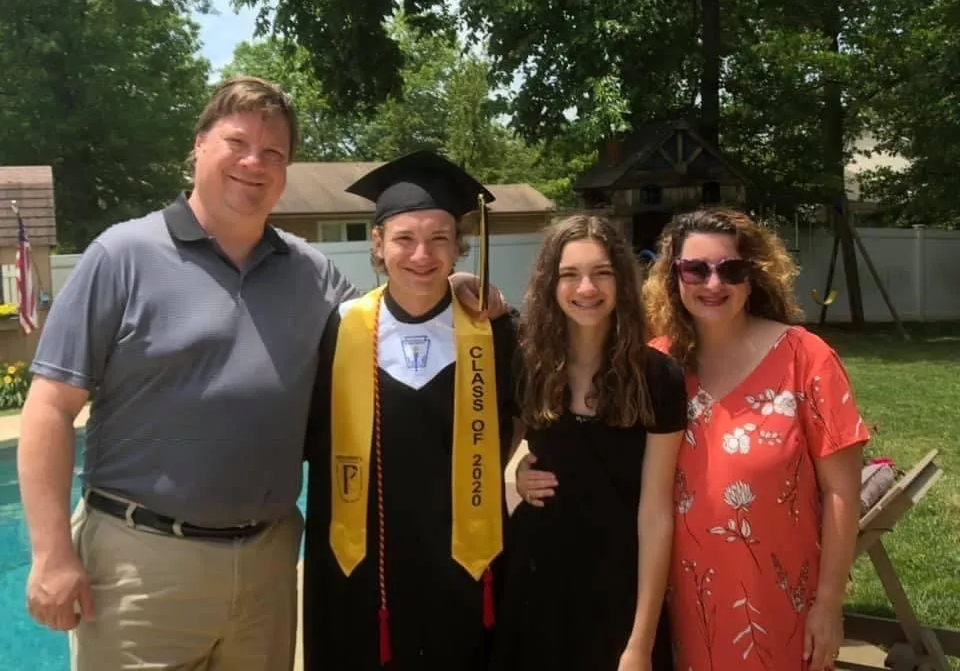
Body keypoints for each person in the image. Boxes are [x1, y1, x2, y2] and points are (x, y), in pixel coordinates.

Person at [17, 76, 504, 671]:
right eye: (237, 142)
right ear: (197, 146)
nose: (255, 162)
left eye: (273, 153)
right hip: (145, 563)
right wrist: (50, 554)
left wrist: (445, 283)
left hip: (269, 567)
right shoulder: (122, 256)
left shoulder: (312, 275)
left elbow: (394, 318)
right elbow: (49, 407)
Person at [518, 206, 866, 671]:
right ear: (673, 277)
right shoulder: (655, 366)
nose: (713, 283)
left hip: (777, 599)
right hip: (679, 603)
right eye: (695, 269)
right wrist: (528, 469)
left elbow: (842, 492)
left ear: (754, 275)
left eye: (731, 269)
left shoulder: (806, 358)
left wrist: (828, 602)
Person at [301, 150, 524, 671]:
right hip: (363, 560)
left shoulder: (493, 330)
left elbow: (518, 417)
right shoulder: (341, 328)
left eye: (439, 238)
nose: (421, 254)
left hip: (464, 555)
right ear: (377, 245)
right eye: (404, 238)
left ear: (458, 247)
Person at [492, 213, 685, 671]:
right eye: (569, 275)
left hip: (619, 585)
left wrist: (641, 640)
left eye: (601, 273)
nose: (586, 289)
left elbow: (656, 512)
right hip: (536, 579)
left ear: (621, 280)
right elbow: (488, 455)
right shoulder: (528, 364)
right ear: (549, 285)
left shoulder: (657, 377)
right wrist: (517, 475)